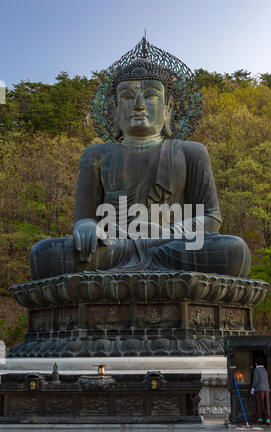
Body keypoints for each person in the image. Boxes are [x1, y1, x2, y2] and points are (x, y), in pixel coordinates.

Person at [29, 40, 251, 280]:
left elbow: (211, 218)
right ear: (114, 109)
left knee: (234, 250)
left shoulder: (191, 151)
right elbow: (85, 218)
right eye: (126, 97)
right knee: (44, 254)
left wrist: (167, 233)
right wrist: (86, 227)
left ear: (169, 108)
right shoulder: (96, 155)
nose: (137, 106)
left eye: (150, 96)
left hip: (171, 245)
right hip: (115, 248)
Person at [251, 357, 271, 425]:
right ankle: (268, 419)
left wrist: (253, 388)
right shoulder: (265, 370)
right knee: (267, 404)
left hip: (259, 389)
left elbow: (255, 380)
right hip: (267, 389)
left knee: (260, 404)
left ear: (256, 364)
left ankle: (260, 418)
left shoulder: (256, 370)